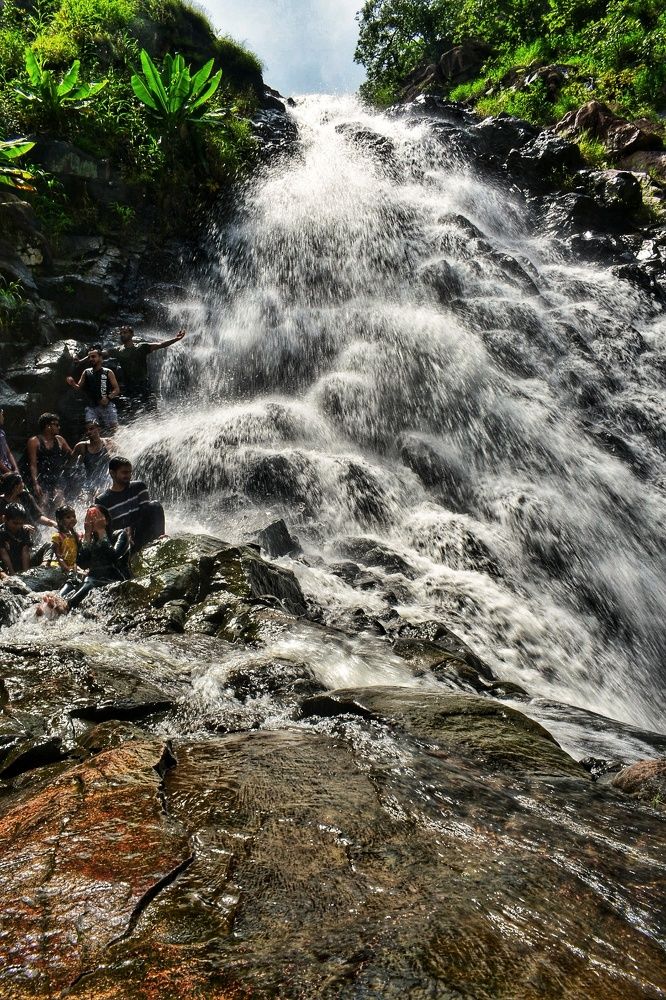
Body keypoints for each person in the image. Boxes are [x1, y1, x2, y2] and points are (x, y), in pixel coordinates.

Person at [58, 504, 130, 611]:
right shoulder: (90, 540)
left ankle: (66, 606)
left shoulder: (120, 534)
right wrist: (87, 535)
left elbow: (114, 556)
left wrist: (101, 532)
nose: (93, 521)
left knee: (89, 580)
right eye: (91, 519)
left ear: (106, 520)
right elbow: (82, 562)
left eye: (96, 517)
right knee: (72, 581)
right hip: (94, 578)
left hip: (114, 577)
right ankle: (55, 601)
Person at [95, 456, 165, 550]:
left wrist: (132, 527)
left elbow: (147, 513)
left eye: (130, 472)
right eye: (124, 472)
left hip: (140, 532)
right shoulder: (102, 500)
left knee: (155, 505)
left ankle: (160, 539)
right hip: (122, 539)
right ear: (112, 473)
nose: (128, 475)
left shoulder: (139, 487)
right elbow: (106, 529)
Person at [117, 324, 186, 406]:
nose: (122, 335)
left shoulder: (141, 347)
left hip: (143, 385)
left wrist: (176, 339)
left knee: (151, 407)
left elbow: (160, 344)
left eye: (125, 332)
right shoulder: (118, 351)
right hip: (130, 387)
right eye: (121, 333)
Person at [66, 346, 120, 432]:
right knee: (91, 429)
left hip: (107, 406)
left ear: (100, 358)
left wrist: (108, 398)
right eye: (89, 357)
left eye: (93, 356)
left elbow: (117, 389)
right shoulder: (86, 372)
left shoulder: (108, 372)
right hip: (91, 407)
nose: (91, 359)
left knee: (114, 429)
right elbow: (78, 387)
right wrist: (72, 383)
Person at [26, 413, 72, 511]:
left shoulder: (60, 440)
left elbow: (72, 455)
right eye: (56, 425)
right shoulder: (34, 441)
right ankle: (41, 525)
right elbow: (33, 464)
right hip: (42, 476)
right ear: (48, 426)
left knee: (59, 498)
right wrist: (35, 483)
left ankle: (62, 523)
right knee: (44, 501)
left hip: (57, 475)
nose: (59, 427)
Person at [70, 419, 116, 495]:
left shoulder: (108, 442)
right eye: (86, 430)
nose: (88, 432)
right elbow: (70, 466)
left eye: (91, 429)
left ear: (98, 429)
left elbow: (123, 456)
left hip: (108, 481)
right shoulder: (81, 446)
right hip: (90, 483)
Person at [0, 503, 32, 575]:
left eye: (21, 523)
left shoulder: (24, 530)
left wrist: (26, 573)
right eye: (15, 523)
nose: (18, 526)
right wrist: (12, 574)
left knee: (48, 545)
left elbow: (25, 551)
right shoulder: (1, 532)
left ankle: (45, 566)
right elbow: (3, 554)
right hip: (6, 564)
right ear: (4, 519)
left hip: (20, 560)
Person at [49, 504, 81, 573]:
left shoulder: (75, 535)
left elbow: (78, 553)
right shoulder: (57, 537)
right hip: (60, 567)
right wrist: (66, 568)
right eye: (68, 517)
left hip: (72, 566)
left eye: (74, 516)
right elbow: (58, 556)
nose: (72, 519)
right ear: (59, 520)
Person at [0, 408, 19, 476]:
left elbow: (8, 452)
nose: (3, 417)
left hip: (8, 468)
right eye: (2, 414)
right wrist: (12, 475)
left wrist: (16, 468)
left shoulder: (1, 433)